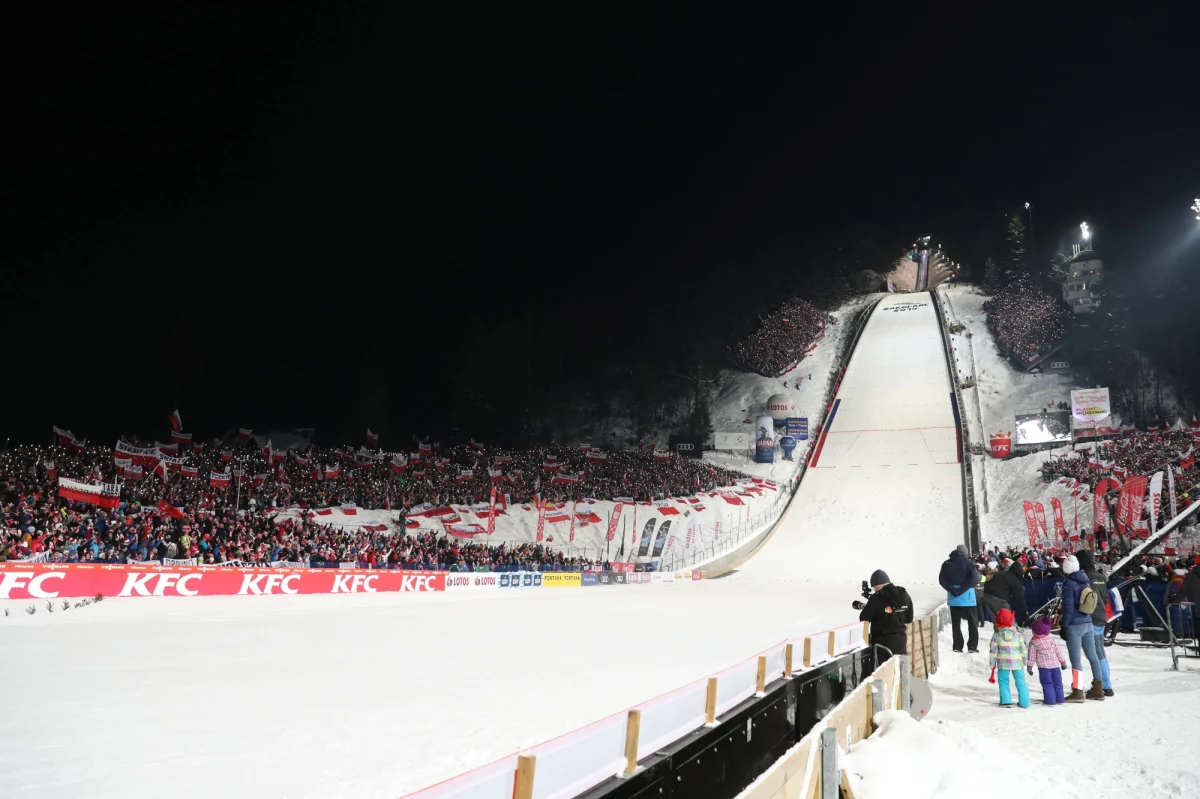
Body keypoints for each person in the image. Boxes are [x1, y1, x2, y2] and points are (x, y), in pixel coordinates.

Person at [1061, 555, 1105, 702]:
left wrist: (1064, 626)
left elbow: (1068, 608)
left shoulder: (1068, 584)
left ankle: (1078, 691)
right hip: (1088, 621)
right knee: (1093, 657)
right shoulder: (1085, 580)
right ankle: (1098, 689)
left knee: (1076, 660)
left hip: (1074, 624)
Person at [1076, 549, 1114, 697]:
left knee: (1095, 653)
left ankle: (1105, 685)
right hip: (1101, 616)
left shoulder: (1084, 577)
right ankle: (1105, 684)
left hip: (1089, 617)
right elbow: (1105, 597)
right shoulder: (1100, 576)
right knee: (1099, 652)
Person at [857, 569, 913, 662]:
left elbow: (864, 618)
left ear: (877, 585)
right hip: (901, 644)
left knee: (883, 675)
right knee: (898, 672)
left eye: (874, 587)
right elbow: (909, 619)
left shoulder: (876, 598)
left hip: (882, 646)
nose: (874, 590)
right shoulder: (904, 594)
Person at [939, 545, 980, 653]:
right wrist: (962, 590)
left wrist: (952, 589)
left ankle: (957, 646)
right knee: (973, 622)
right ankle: (972, 646)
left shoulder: (946, 563)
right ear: (965, 553)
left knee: (956, 623)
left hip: (953, 597)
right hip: (968, 597)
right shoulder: (969, 563)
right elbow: (974, 579)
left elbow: (942, 580)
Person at [988, 609, 1030, 708]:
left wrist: (992, 663)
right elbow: (1023, 649)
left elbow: (993, 652)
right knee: (1021, 681)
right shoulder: (1018, 635)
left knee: (1003, 681)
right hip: (1017, 662)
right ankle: (1025, 702)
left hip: (1003, 663)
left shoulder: (996, 636)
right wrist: (1025, 660)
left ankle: (1006, 701)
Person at [1026, 617, 1068, 705]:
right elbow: (1058, 651)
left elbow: (1031, 656)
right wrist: (1063, 662)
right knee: (1058, 683)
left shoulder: (1033, 643)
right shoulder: (1051, 640)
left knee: (1047, 684)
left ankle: (1050, 700)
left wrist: (1030, 666)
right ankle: (1060, 699)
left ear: (1035, 631)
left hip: (1044, 668)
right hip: (1055, 666)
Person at [983, 558, 1030, 624]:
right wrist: (1025, 612)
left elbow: (988, 582)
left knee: (997, 621)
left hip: (986, 596)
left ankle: (998, 633)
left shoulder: (1001, 573)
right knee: (1008, 620)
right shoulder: (1015, 581)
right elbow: (1020, 598)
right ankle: (1011, 633)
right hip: (999, 599)